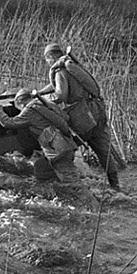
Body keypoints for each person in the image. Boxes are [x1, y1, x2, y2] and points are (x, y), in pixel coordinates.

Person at [34, 43, 120, 190]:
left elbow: (61, 94)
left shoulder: (60, 70)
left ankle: (65, 181)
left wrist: (45, 101)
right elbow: (57, 85)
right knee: (103, 150)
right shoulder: (71, 65)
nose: (47, 63)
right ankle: (115, 185)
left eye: (47, 59)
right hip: (96, 110)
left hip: (82, 115)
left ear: (51, 57)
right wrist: (39, 93)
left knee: (65, 143)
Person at [0, 89, 96, 205]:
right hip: (63, 145)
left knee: (72, 182)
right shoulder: (45, 104)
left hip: (58, 150)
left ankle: (92, 206)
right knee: (41, 168)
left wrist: (0, 112)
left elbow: (9, 123)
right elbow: (65, 118)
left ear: (20, 102)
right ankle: (54, 195)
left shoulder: (29, 110)